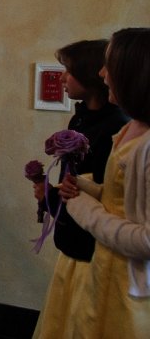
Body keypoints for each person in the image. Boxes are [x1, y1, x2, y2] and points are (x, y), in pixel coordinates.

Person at [31, 40, 129, 339]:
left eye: (68, 71)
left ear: (90, 76)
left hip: (92, 251)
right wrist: (49, 197)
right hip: (72, 243)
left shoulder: (115, 129)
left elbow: (105, 196)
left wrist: (59, 196)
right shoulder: (82, 117)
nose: (60, 78)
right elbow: (75, 185)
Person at [58, 27, 150, 337]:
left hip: (129, 283)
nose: (101, 73)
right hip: (106, 266)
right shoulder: (131, 130)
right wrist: (84, 187)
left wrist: (83, 208)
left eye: (108, 65)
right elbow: (122, 198)